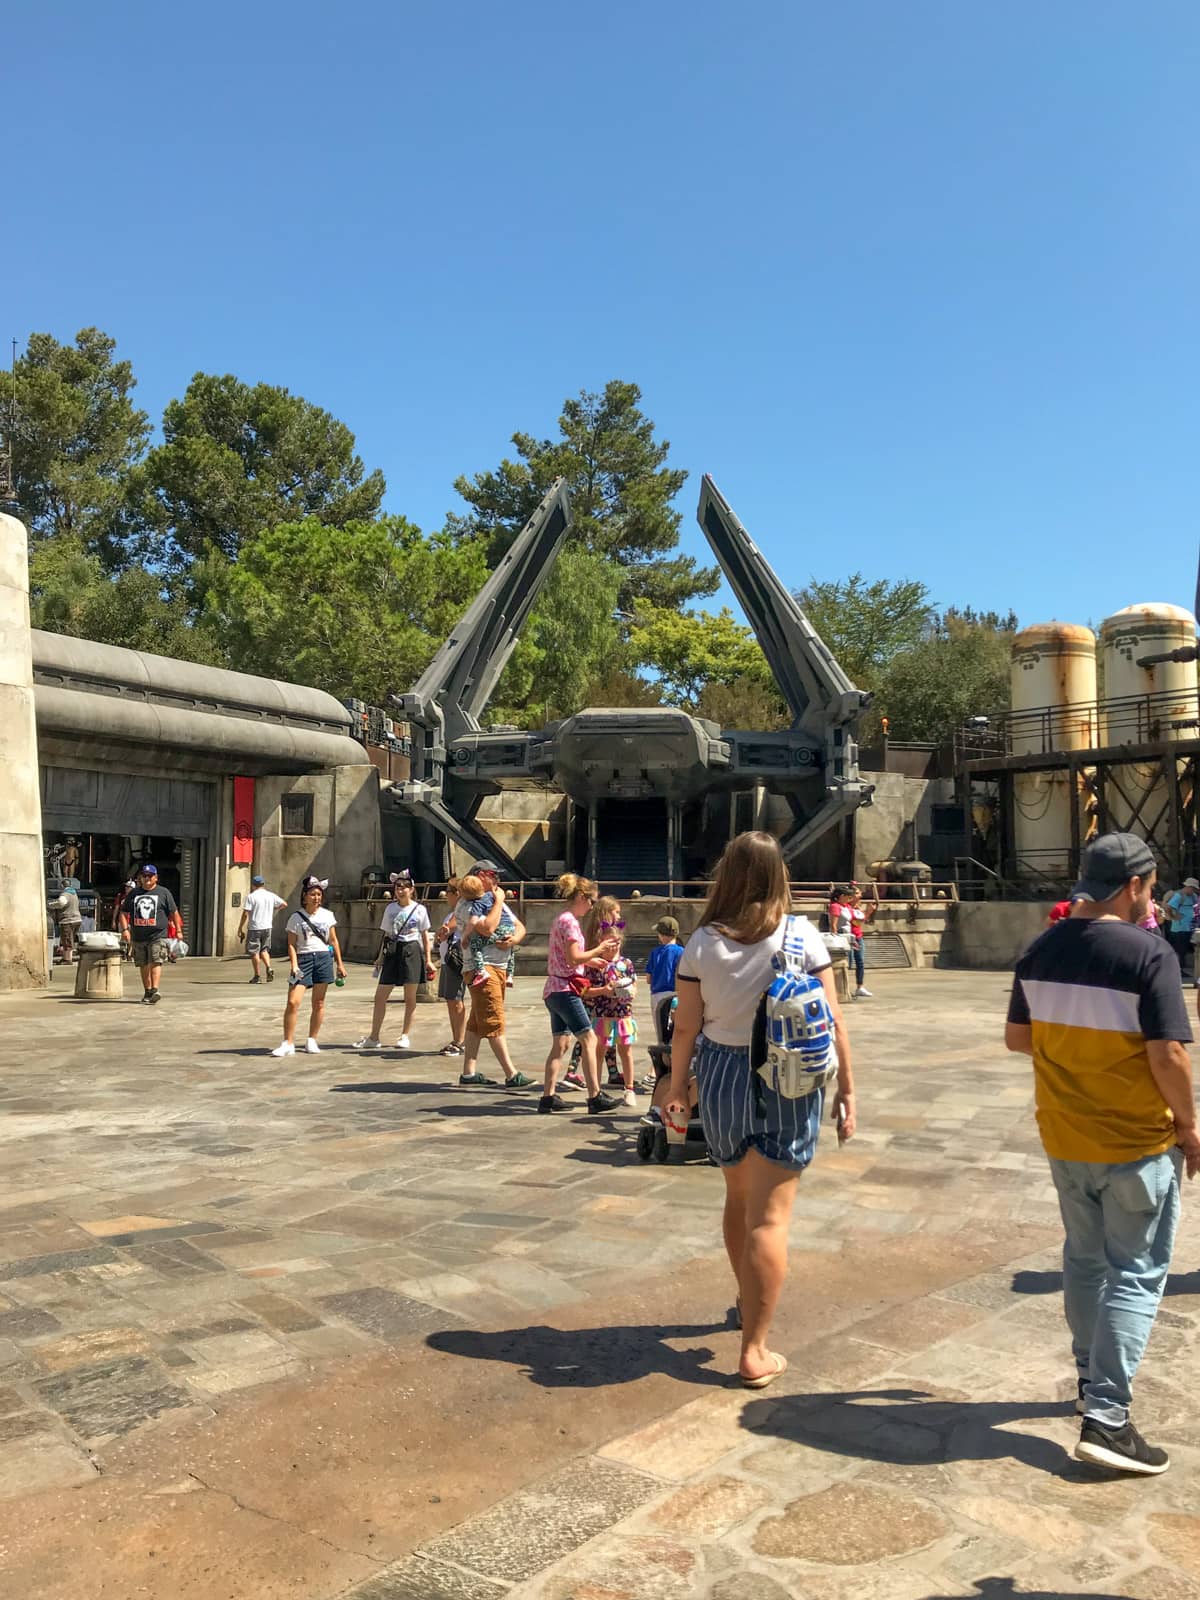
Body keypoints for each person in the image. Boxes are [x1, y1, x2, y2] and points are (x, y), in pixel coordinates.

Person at [1005, 832, 1197, 1476]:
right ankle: (1108, 1421)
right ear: (1134, 886)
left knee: (1084, 1263)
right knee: (1138, 1272)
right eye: (1149, 886)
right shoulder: (1149, 953)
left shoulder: (1040, 950)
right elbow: (1167, 1054)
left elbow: (1017, 1039)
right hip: (1136, 1142)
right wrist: (1191, 1128)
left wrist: (1076, 1060)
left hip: (1066, 1136)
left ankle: (1089, 1382)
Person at [666, 831, 856, 1388]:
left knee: (738, 1197)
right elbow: (835, 1020)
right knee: (770, 1217)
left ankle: (745, 1296)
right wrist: (848, 1089)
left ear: (728, 875)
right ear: (780, 876)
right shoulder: (803, 935)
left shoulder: (702, 942)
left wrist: (679, 1088)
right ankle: (755, 1349)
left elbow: (685, 1026)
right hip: (792, 1080)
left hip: (722, 1073)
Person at [541, 874, 620, 1115]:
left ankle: (548, 1097)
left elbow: (569, 958)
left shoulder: (560, 920)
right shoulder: (571, 922)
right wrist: (599, 949)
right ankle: (594, 1096)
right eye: (592, 901)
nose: (593, 906)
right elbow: (574, 956)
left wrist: (592, 961)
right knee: (589, 1039)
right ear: (581, 897)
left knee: (561, 1044)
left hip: (553, 988)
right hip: (566, 990)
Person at [455, 860, 533, 1089]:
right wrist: (498, 900)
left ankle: (468, 1072)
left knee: (477, 1023)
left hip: (499, 965)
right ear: (479, 876)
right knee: (493, 1020)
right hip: (482, 968)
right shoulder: (470, 903)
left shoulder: (491, 899)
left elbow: (520, 926)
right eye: (493, 875)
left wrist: (514, 939)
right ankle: (511, 1073)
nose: (497, 880)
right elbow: (487, 927)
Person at [354, 871, 432, 1051]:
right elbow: (386, 934)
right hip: (393, 950)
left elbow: (425, 936)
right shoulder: (390, 909)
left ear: (412, 889)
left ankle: (405, 1035)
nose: (401, 890)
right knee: (380, 995)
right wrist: (380, 956)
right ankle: (374, 1036)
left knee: (410, 997)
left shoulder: (420, 909)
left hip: (412, 949)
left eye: (405, 887)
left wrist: (428, 959)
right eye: (398, 887)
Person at [271, 876, 346, 1057]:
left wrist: (340, 964)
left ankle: (312, 1039)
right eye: (312, 894)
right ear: (304, 896)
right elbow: (291, 944)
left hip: (323, 958)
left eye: (319, 894)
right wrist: (294, 965)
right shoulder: (295, 918)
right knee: (293, 1001)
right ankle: (287, 1042)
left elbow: (333, 940)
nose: (316, 898)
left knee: (319, 1003)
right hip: (303, 959)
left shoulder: (327, 915)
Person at [586, 898, 639, 1108]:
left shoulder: (626, 963)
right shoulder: (596, 964)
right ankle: (596, 1089)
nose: (613, 948)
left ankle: (629, 1088)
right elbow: (586, 992)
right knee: (599, 1050)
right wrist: (604, 991)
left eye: (616, 944)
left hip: (623, 1013)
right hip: (602, 1014)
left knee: (626, 1050)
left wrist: (630, 991)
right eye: (609, 944)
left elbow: (634, 985)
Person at [119, 864, 183, 1004]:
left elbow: (174, 913)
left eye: (150, 876)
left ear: (156, 878)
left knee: (156, 961)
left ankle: (154, 989)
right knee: (143, 964)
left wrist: (178, 930)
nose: (147, 878)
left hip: (158, 935)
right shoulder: (134, 893)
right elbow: (123, 913)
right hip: (139, 935)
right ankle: (147, 990)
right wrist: (125, 930)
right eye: (144, 876)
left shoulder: (164, 893)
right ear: (140, 878)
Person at [458, 872, 518, 989]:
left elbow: (481, 926)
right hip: (509, 928)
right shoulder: (492, 896)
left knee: (475, 944)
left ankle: (481, 971)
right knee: (511, 950)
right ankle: (510, 975)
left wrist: (465, 937)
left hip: (498, 933)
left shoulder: (476, 904)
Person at [434, 881, 467, 1059]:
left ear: (456, 893)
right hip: (448, 961)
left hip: (457, 960)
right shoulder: (451, 914)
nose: (445, 895)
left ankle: (460, 1041)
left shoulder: (462, 911)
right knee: (450, 999)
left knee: (456, 1000)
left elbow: (454, 923)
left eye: (447, 891)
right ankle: (456, 1039)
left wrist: (446, 929)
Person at [238, 875, 287, 983]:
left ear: (253, 885)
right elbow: (284, 904)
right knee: (264, 950)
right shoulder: (270, 895)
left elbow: (246, 913)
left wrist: (240, 928)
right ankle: (269, 967)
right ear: (263, 884)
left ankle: (257, 976)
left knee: (254, 951)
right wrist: (275, 908)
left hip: (255, 927)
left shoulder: (251, 897)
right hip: (267, 927)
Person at [646, 915, 684, 1046]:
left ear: (661, 935)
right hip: (677, 994)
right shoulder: (682, 952)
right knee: (676, 1030)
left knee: (661, 1036)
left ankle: (663, 1059)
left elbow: (648, 979)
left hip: (658, 996)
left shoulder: (655, 952)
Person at [1163, 878, 1198, 980]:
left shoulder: (1194, 896)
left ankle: (1181, 969)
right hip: (1179, 928)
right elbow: (1168, 907)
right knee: (1180, 951)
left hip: (1190, 928)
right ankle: (1179, 971)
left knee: (1187, 950)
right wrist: (1174, 917)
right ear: (1187, 887)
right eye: (1192, 888)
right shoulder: (1179, 896)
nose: (1193, 891)